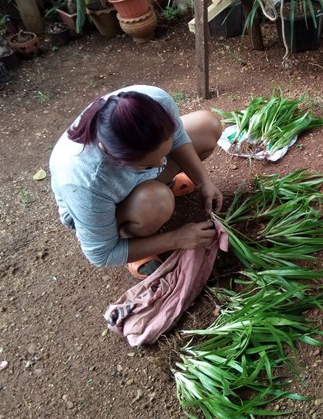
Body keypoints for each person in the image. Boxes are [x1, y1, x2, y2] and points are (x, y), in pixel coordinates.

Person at [49, 85, 224, 279]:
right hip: (102, 207)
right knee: (156, 200)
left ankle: (153, 183)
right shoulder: (85, 182)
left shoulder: (155, 101)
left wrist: (203, 181)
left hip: (131, 175)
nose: (162, 163)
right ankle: (133, 242)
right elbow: (101, 254)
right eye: (147, 164)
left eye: (164, 155)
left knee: (207, 126)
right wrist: (177, 238)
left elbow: (178, 137)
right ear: (118, 159)